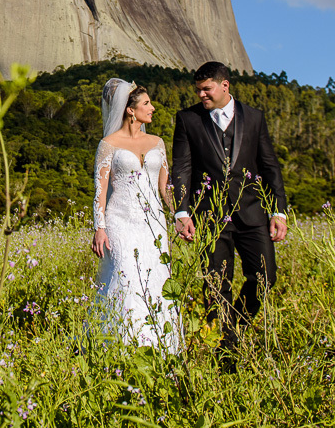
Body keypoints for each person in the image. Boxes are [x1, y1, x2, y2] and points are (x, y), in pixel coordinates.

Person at [171, 61, 288, 353]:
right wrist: (182, 211)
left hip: (252, 213)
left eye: (206, 89)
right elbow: (182, 167)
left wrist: (278, 211)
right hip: (210, 215)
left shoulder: (254, 117)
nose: (201, 95)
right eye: (197, 90)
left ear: (225, 86)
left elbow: (269, 165)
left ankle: (233, 329)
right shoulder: (187, 119)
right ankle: (221, 348)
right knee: (215, 285)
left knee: (264, 278)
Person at [92, 78, 180, 349]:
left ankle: (159, 347)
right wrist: (99, 227)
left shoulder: (158, 142)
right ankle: (119, 345)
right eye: (146, 103)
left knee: (156, 278)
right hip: (119, 222)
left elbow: (165, 188)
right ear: (130, 110)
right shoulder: (108, 144)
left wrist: (178, 216)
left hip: (153, 225)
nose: (152, 107)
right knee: (125, 274)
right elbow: (100, 189)